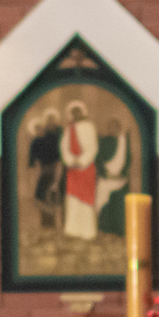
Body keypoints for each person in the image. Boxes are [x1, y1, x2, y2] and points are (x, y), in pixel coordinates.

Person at [59, 100, 99, 239]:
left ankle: (88, 232)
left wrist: (81, 161)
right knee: (73, 199)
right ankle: (73, 230)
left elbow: (93, 147)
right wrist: (70, 160)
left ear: (82, 112)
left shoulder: (89, 127)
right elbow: (64, 147)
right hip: (72, 169)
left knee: (85, 199)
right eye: (73, 112)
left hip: (86, 168)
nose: (75, 114)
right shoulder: (68, 128)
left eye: (78, 111)